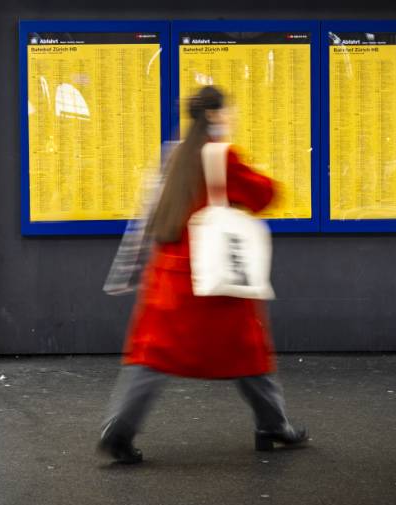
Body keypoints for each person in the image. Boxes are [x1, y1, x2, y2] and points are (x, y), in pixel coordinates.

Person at [98, 86, 307, 465]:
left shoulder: (173, 153)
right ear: (212, 115)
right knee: (249, 353)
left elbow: (151, 213)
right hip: (212, 277)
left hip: (169, 276)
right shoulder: (220, 156)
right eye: (227, 112)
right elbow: (265, 194)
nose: (231, 118)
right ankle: (273, 424)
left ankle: (120, 429)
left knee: (153, 357)